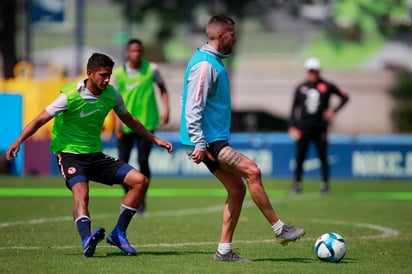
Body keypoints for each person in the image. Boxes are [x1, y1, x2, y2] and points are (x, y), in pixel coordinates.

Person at [6, 53, 173, 257]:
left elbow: (130, 120)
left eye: (109, 75)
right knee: (81, 193)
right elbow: (40, 120)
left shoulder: (111, 94)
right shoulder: (70, 95)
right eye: (103, 75)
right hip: (70, 155)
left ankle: (119, 234)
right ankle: (87, 238)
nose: (107, 79)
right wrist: (18, 140)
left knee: (140, 181)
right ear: (89, 73)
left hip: (96, 156)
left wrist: (154, 139)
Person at [180, 14, 306, 262]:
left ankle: (224, 251)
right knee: (253, 172)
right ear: (220, 35)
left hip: (210, 140)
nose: (235, 39)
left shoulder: (212, 61)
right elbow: (192, 106)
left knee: (237, 190)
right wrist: (198, 142)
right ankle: (280, 228)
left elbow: (188, 99)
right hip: (209, 142)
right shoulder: (205, 64)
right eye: (232, 34)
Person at [112, 39, 170, 216]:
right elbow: (112, 99)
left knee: (143, 161)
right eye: (133, 51)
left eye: (139, 51)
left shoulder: (151, 69)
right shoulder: (118, 74)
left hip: (147, 123)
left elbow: (163, 89)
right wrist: (115, 121)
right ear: (127, 53)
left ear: (142, 53)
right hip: (126, 124)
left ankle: (141, 199)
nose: (136, 54)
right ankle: (130, 196)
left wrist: (166, 109)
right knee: (122, 163)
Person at [288, 57, 349, 194]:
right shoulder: (300, 87)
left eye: (314, 71)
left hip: (320, 127)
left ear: (318, 71)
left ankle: (325, 184)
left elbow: (345, 96)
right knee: (300, 156)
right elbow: (294, 109)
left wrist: (333, 110)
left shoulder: (327, 86)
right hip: (303, 127)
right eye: (310, 71)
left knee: (322, 156)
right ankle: (297, 183)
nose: (312, 74)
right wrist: (292, 125)